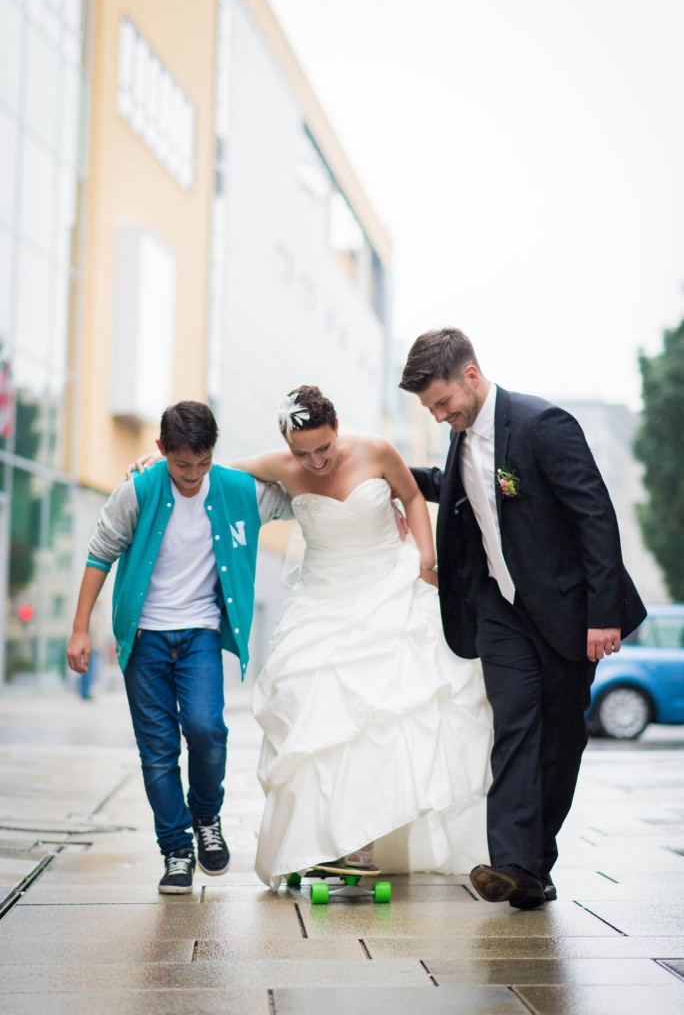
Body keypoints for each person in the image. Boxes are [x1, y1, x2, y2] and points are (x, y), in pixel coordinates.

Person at [399, 328, 647, 909]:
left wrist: (603, 613)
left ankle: (535, 866)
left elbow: (595, 517)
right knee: (514, 728)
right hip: (499, 609)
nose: (439, 416)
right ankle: (510, 862)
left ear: (471, 376)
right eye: (430, 408)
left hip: (566, 613)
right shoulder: (462, 436)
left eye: (443, 402)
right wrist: (382, 470)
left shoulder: (544, 425)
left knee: (560, 741)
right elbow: (461, 490)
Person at [229, 386, 493, 889]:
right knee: (314, 713)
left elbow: (413, 497)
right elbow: (213, 471)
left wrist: (425, 559)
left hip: (385, 585)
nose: (315, 461)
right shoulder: (281, 465)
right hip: (322, 600)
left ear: (336, 428)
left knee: (382, 717)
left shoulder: (376, 449)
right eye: (302, 453)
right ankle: (318, 841)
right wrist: (155, 462)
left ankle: (362, 845)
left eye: (323, 448)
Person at [67, 402, 292, 894]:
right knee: (158, 753)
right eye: (181, 464)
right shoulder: (138, 491)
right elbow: (99, 552)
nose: (192, 476)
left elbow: (303, 491)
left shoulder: (238, 490)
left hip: (199, 634)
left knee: (207, 729)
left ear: (214, 453)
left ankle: (205, 819)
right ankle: (175, 850)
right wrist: (80, 628)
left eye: (202, 463)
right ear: (161, 450)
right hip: (144, 636)